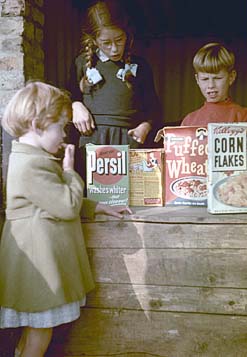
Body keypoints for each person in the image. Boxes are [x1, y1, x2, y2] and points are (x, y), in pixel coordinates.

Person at [0, 81, 131, 357]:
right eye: (60, 126)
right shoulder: (31, 165)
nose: (63, 134)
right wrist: (71, 171)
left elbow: (53, 200)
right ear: (38, 125)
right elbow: (66, 205)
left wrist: (98, 207)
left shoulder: (34, 159)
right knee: (38, 337)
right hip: (40, 267)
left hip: (39, 262)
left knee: (30, 337)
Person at [69, 0, 163, 180]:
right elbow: (68, 95)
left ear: (127, 34)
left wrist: (146, 126)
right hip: (93, 143)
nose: (114, 48)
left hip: (129, 143)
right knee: (96, 199)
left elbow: (154, 108)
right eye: (106, 43)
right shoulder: (81, 63)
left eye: (119, 40)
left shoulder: (140, 67)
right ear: (94, 40)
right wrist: (75, 106)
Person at [181, 42, 247, 126]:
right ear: (197, 79)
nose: (211, 85)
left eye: (217, 78)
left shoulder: (243, 115)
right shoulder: (189, 121)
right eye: (205, 79)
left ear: (231, 77)